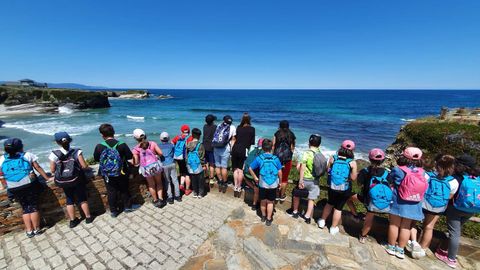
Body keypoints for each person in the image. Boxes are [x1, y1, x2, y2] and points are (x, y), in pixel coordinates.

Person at [405, 154, 457, 259]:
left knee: (412, 222)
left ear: (437, 164)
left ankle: (413, 242)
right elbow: (450, 197)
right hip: (438, 207)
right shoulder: (453, 182)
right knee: (429, 227)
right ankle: (422, 250)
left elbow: (420, 188)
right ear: (452, 167)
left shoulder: (427, 175)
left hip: (424, 203)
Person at [0, 138, 52, 237]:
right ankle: (36, 229)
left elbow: (1, 175)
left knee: (25, 208)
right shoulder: (27, 155)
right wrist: (47, 178)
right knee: (33, 207)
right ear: (20, 147)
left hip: (13, 187)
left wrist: (4, 186)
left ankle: (29, 231)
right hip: (29, 185)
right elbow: (37, 167)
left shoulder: (2, 159)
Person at [435, 154, 479, 268]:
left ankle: (451, 259)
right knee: (455, 231)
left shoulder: (457, 178)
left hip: (456, 208)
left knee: (454, 233)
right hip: (471, 209)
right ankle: (443, 250)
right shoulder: (476, 177)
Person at [385, 147, 428, 259]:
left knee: (394, 224)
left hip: (399, 201)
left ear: (404, 156)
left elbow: (389, 180)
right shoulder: (423, 172)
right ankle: (400, 250)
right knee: (406, 227)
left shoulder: (398, 169)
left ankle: (391, 247)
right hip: (414, 202)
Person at [49, 132, 93, 228]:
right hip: (77, 179)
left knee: (69, 199)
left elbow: (52, 170)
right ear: (70, 140)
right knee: (82, 197)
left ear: (57, 142)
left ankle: (73, 221)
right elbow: (84, 166)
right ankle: (88, 217)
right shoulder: (77, 151)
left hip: (64, 181)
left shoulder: (54, 154)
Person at [93, 123, 139, 217]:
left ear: (102, 135)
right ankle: (127, 207)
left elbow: (96, 159)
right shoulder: (122, 144)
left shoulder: (99, 146)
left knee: (111, 191)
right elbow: (129, 157)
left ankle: (114, 211)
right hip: (122, 172)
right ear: (114, 133)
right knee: (124, 189)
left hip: (107, 174)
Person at [317, 140, 358, 236]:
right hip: (344, 188)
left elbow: (328, 170)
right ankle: (333, 227)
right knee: (338, 208)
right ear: (352, 150)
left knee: (329, 203)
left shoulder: (333, 158)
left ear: (341, 147)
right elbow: (353, 178)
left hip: (332, 186)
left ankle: (322, 221)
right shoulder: (352, 162)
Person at [287, 134, 327, 224]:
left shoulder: (306, 153)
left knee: (297, 195)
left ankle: (295, 212)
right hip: (315, 181)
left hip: (305, 179)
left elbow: (301, 167)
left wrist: (300, 179)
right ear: (319, 144)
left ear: (309, 142)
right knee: (311, 199)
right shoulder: (320, 153)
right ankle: (308, 217)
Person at [356, 149, 391, 243]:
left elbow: (359, 184)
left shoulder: (365, 171)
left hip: (367, 200)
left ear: (369, 159)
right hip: (383, 201)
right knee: (370, 216)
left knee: (348, 197)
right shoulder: (387, 173)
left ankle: (363, 235)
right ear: (383, 160)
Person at [248, 139, 283, 226]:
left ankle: (263, 216)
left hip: (262, 183)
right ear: (272, 148)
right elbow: (280, 172)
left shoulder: (259, 158)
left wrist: (255, 177)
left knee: (263, 201)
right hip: (273, 184)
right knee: (270, 202)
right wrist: (280, 182)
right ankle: (268, 218)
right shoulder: (276, 159)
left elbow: (250, 168)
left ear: (263, 148)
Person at [131, 129, 166, 208]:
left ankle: (155, 200)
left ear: (136, 138)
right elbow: (160, 153)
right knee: (159, 182)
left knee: (151, 184)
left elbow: (136, 162)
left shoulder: (135, 149)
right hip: (156, 167)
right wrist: (155, 156)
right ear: (145, 135)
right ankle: (161, 199)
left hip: (146, 170)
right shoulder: (152, 143)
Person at [231, 113, 255, 198]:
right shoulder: (252, 129)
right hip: (243, 150)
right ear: (249, 119)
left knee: (235, 169)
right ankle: (239, 186)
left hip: (235, 149)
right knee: (240, 170)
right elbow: (252, 143)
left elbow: (235, 139)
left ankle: (235, 186)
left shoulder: (238, 127)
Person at [272, 120, 296, 202]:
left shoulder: (277, 133)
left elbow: (273, 145)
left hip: (276, 159)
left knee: (275, 176)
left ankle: (275, 194)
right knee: (284, 179)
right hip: (287, 160)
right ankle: (282, 195)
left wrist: (273, 155)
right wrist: (290, 155)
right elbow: (293, 148)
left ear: (280, 126)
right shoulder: (291, 134)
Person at [212, 115, 236, 193]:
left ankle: (220, 180)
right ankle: (225, 183)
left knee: (218, 165)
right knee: (224, 167)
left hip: (216, 147)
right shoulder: (232, 127)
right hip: (225, 149)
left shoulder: (219, 125)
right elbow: (233, 140)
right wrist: (232, 149)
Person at [159, 132, 181, 204]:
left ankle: (170, 197)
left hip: (164, 165)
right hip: (172, 163)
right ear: (168, 138)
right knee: (175, 180)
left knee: (167, 181)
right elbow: (175, 153)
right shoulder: (172, 145)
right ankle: (177, 196)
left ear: (160, 139)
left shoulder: (158, 146)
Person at [172, 125, 194, 195]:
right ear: (189, 130)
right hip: (186, 158)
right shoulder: (190, 138)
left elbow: (172, 143)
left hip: (178, 157)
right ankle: (187, 190)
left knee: (182, 171)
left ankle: (181, 185)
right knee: (187, 173)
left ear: (181, 131)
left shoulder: (177, 137)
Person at [243, 138, 264, 211]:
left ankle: (254, 188)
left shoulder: (252, 150)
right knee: (256, 190)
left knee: (246, 179)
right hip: (253, 175)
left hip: (246, 174)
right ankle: (254, 204)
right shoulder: (263, 154)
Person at [186, 128, 206, 198]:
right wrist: (203, 165)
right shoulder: (200, 145)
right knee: (200, 180)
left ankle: (195, 193)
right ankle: (200, 194)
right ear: (199, 136)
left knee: (193, 179)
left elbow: (187, 155)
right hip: (198, 165)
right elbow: (202, 156)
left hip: (190, 164)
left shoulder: (188, 144)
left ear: (192, 135)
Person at [203, 114, 217, 186]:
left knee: (206, 163)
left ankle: (206, 177)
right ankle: (211, 178)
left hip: (204, 146)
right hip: (212, 147)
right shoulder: (215, 127)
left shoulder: (204, 126)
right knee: (212, 163)